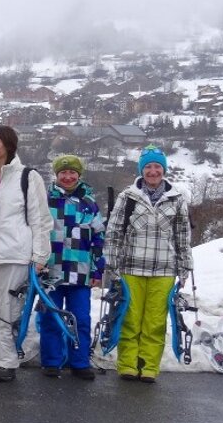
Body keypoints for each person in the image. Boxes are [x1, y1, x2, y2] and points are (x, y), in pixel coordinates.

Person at [0, 125, 52, 382]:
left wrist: (39, 257)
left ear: (7, 145)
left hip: (14, 253)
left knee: (9, 311)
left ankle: (6, 361)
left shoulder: (28, 177)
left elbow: (40, 220)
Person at [102, 146, 192, 383]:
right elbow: (113, 232)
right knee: (129, 319)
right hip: (131, 268)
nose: (153, 172)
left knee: (155, 322)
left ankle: (149, 366)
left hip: (164, 269)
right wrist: (111, 263)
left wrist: (185, 267)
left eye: (157, 167)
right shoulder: (128, 197)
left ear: (164, 170)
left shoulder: (177, 199)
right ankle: (128, 365)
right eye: (149, 167)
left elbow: (183, 235)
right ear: (142, 170)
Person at [40, 154, 105, 380]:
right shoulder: (46, 200)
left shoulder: (88, 204)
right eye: (63, 173)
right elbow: (36, 231)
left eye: (72, 173)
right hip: (51, 271)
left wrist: (98, 269)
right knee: (51, 318)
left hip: (80, 272)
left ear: (79, 175)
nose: (67, 177)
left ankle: (79, 362)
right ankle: (51, 361)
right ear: (56, 175)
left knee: (80, 318)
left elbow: (98, 237)